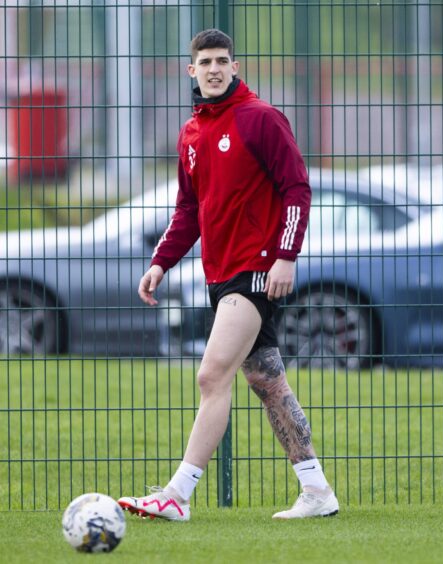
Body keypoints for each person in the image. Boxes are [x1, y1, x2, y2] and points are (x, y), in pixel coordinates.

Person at [118, 29, 338, 521]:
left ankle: (176, 495)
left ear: (235, 67)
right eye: (205, 62)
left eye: (222, 60)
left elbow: (297, 189)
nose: (214, 69)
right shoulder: (192, 133)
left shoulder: (260, 119)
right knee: (267, 381)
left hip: (256, 270)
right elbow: (189, 210)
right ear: (191, 71)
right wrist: (160, 261)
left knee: (211, 374)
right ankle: (317, 491)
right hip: (220, 275)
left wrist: (285, 255)